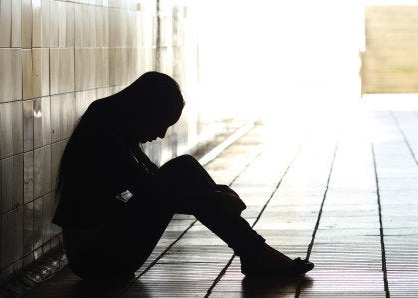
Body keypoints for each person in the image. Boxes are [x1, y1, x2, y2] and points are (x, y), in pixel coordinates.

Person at [52, 71, 313, 281]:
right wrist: (215, 200)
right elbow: (154, 193)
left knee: (184, 166)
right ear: (144, 111)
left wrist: (216, 193)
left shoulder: (113, 126)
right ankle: (255, 252)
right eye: (162, 123)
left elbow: (154, 180)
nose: (162, 134)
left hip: (106, 249)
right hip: (96, 259)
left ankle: (254, 252)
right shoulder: (104, 135)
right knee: (181, 170)